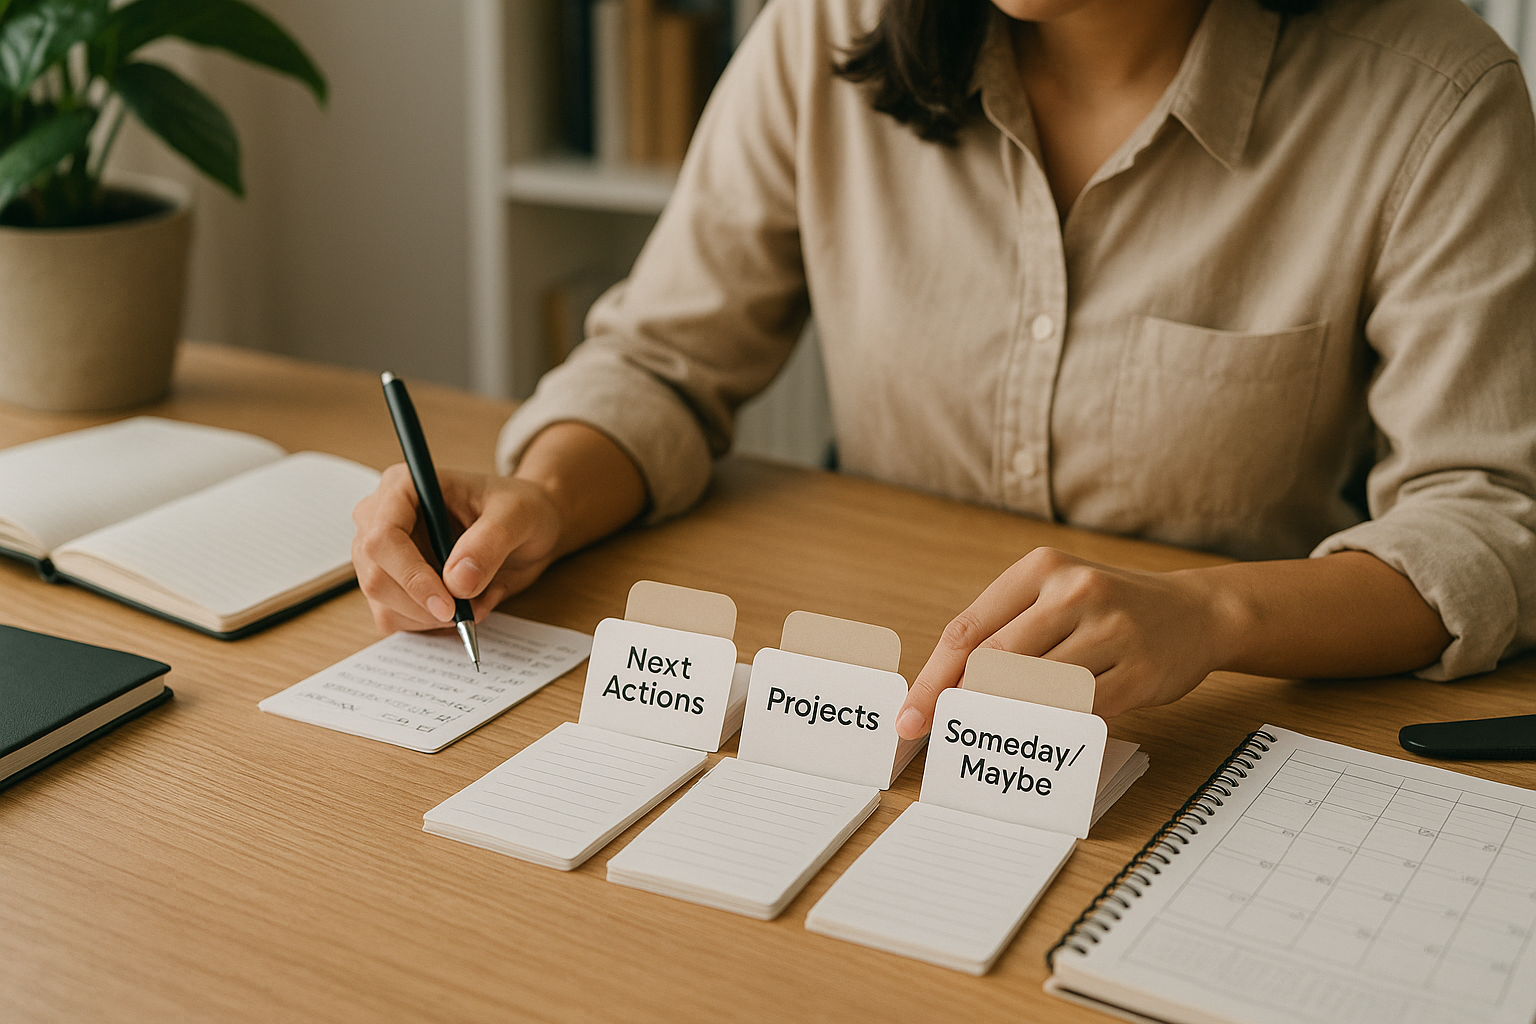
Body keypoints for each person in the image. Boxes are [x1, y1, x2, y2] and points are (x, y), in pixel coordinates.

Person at [352, 0, 1536, 741]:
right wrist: (547, 496)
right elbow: (660, 359)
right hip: (878, 714)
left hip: (1204, 735)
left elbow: (1488, 516)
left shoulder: (1433, 95)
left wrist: (1216, 613)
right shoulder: (822, 31)